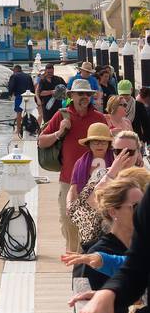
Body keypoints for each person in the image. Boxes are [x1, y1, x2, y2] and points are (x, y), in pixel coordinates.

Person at [68, 169, 150, 313]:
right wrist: (106, 294)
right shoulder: (95, 256)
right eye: (136, 207)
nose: (143, 212)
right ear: (114, 212)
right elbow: (134, 271)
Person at [40, 84, 105, 253]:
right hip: (68, 179)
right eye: (80, 93)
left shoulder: (99, 117)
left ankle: (82, 257)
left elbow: (109, 145)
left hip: (95, 181)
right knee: (67, 219)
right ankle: (73, 252)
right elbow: (41, 141)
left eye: (88, 94)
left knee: (93, 221)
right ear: (72, 96)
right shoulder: (62, 115)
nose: (85, 96)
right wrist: (59, 132)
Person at [67, 122, 113, 247]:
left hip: (110, 210)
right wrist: (69, 204)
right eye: (95, 141)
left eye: (103, 142)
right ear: (89, 144)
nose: (99, 144)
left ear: (109, 144)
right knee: (85, 246)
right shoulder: (80, 163)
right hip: (87, 211)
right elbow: (73, 187)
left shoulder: (115, 160)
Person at [6, 64, 36, 139]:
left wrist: (10, 94)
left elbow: (11, 86)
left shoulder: (14, 76)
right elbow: (32, 87)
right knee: (28, 112)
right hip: (29, 95)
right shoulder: (28, 76)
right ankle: (28, 127)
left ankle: (18, 129)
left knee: (19, 113)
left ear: (15, 70)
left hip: (20, 96)